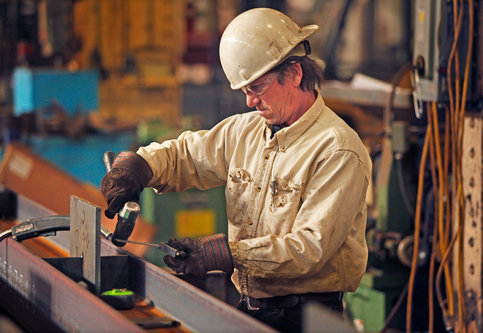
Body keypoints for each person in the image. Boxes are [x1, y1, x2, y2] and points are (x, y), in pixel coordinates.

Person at [100, 8, 372, 333]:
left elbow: (309, 249)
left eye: (256, 87)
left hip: (309, 319)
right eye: (245, 90)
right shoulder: (246, 131)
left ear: (295, 74)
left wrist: (224, 253)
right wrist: (138, 166)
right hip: (248, 308)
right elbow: (187, 156)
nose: (249, 102)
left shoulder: (336, 149)